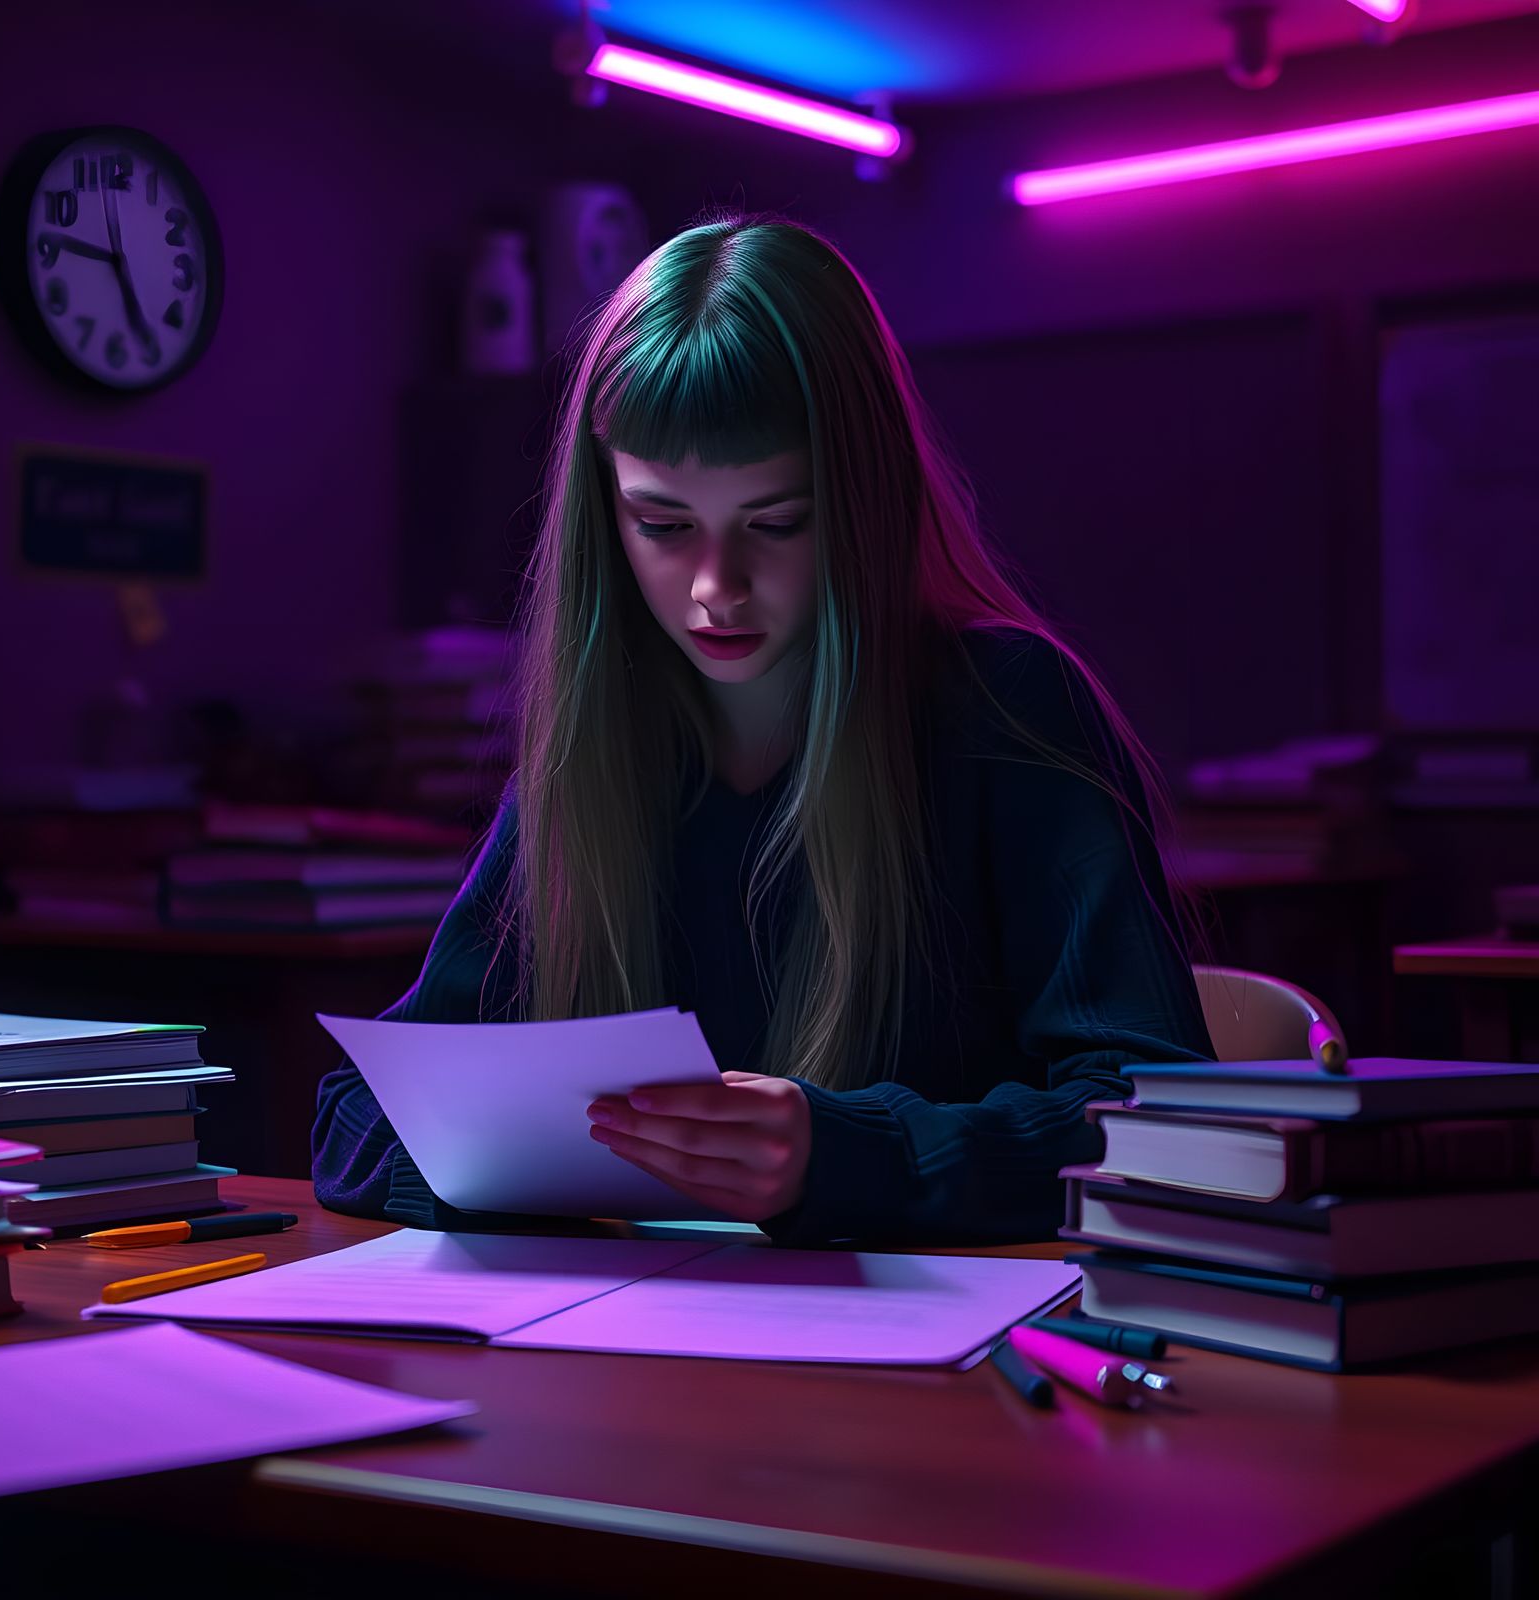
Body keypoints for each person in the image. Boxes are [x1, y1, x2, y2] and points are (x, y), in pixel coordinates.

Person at [312, 209, 1216, 1247]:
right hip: (638, 1362)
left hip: (939, 1381)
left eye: (775, 523)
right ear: (604, 516)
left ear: (863, 499)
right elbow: (355, 1117)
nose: (714, 589)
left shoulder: (1007, 714)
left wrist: (851, 1158)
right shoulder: (594, 757)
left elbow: (1158, 1116)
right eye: (661, 525)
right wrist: (528, 1171)